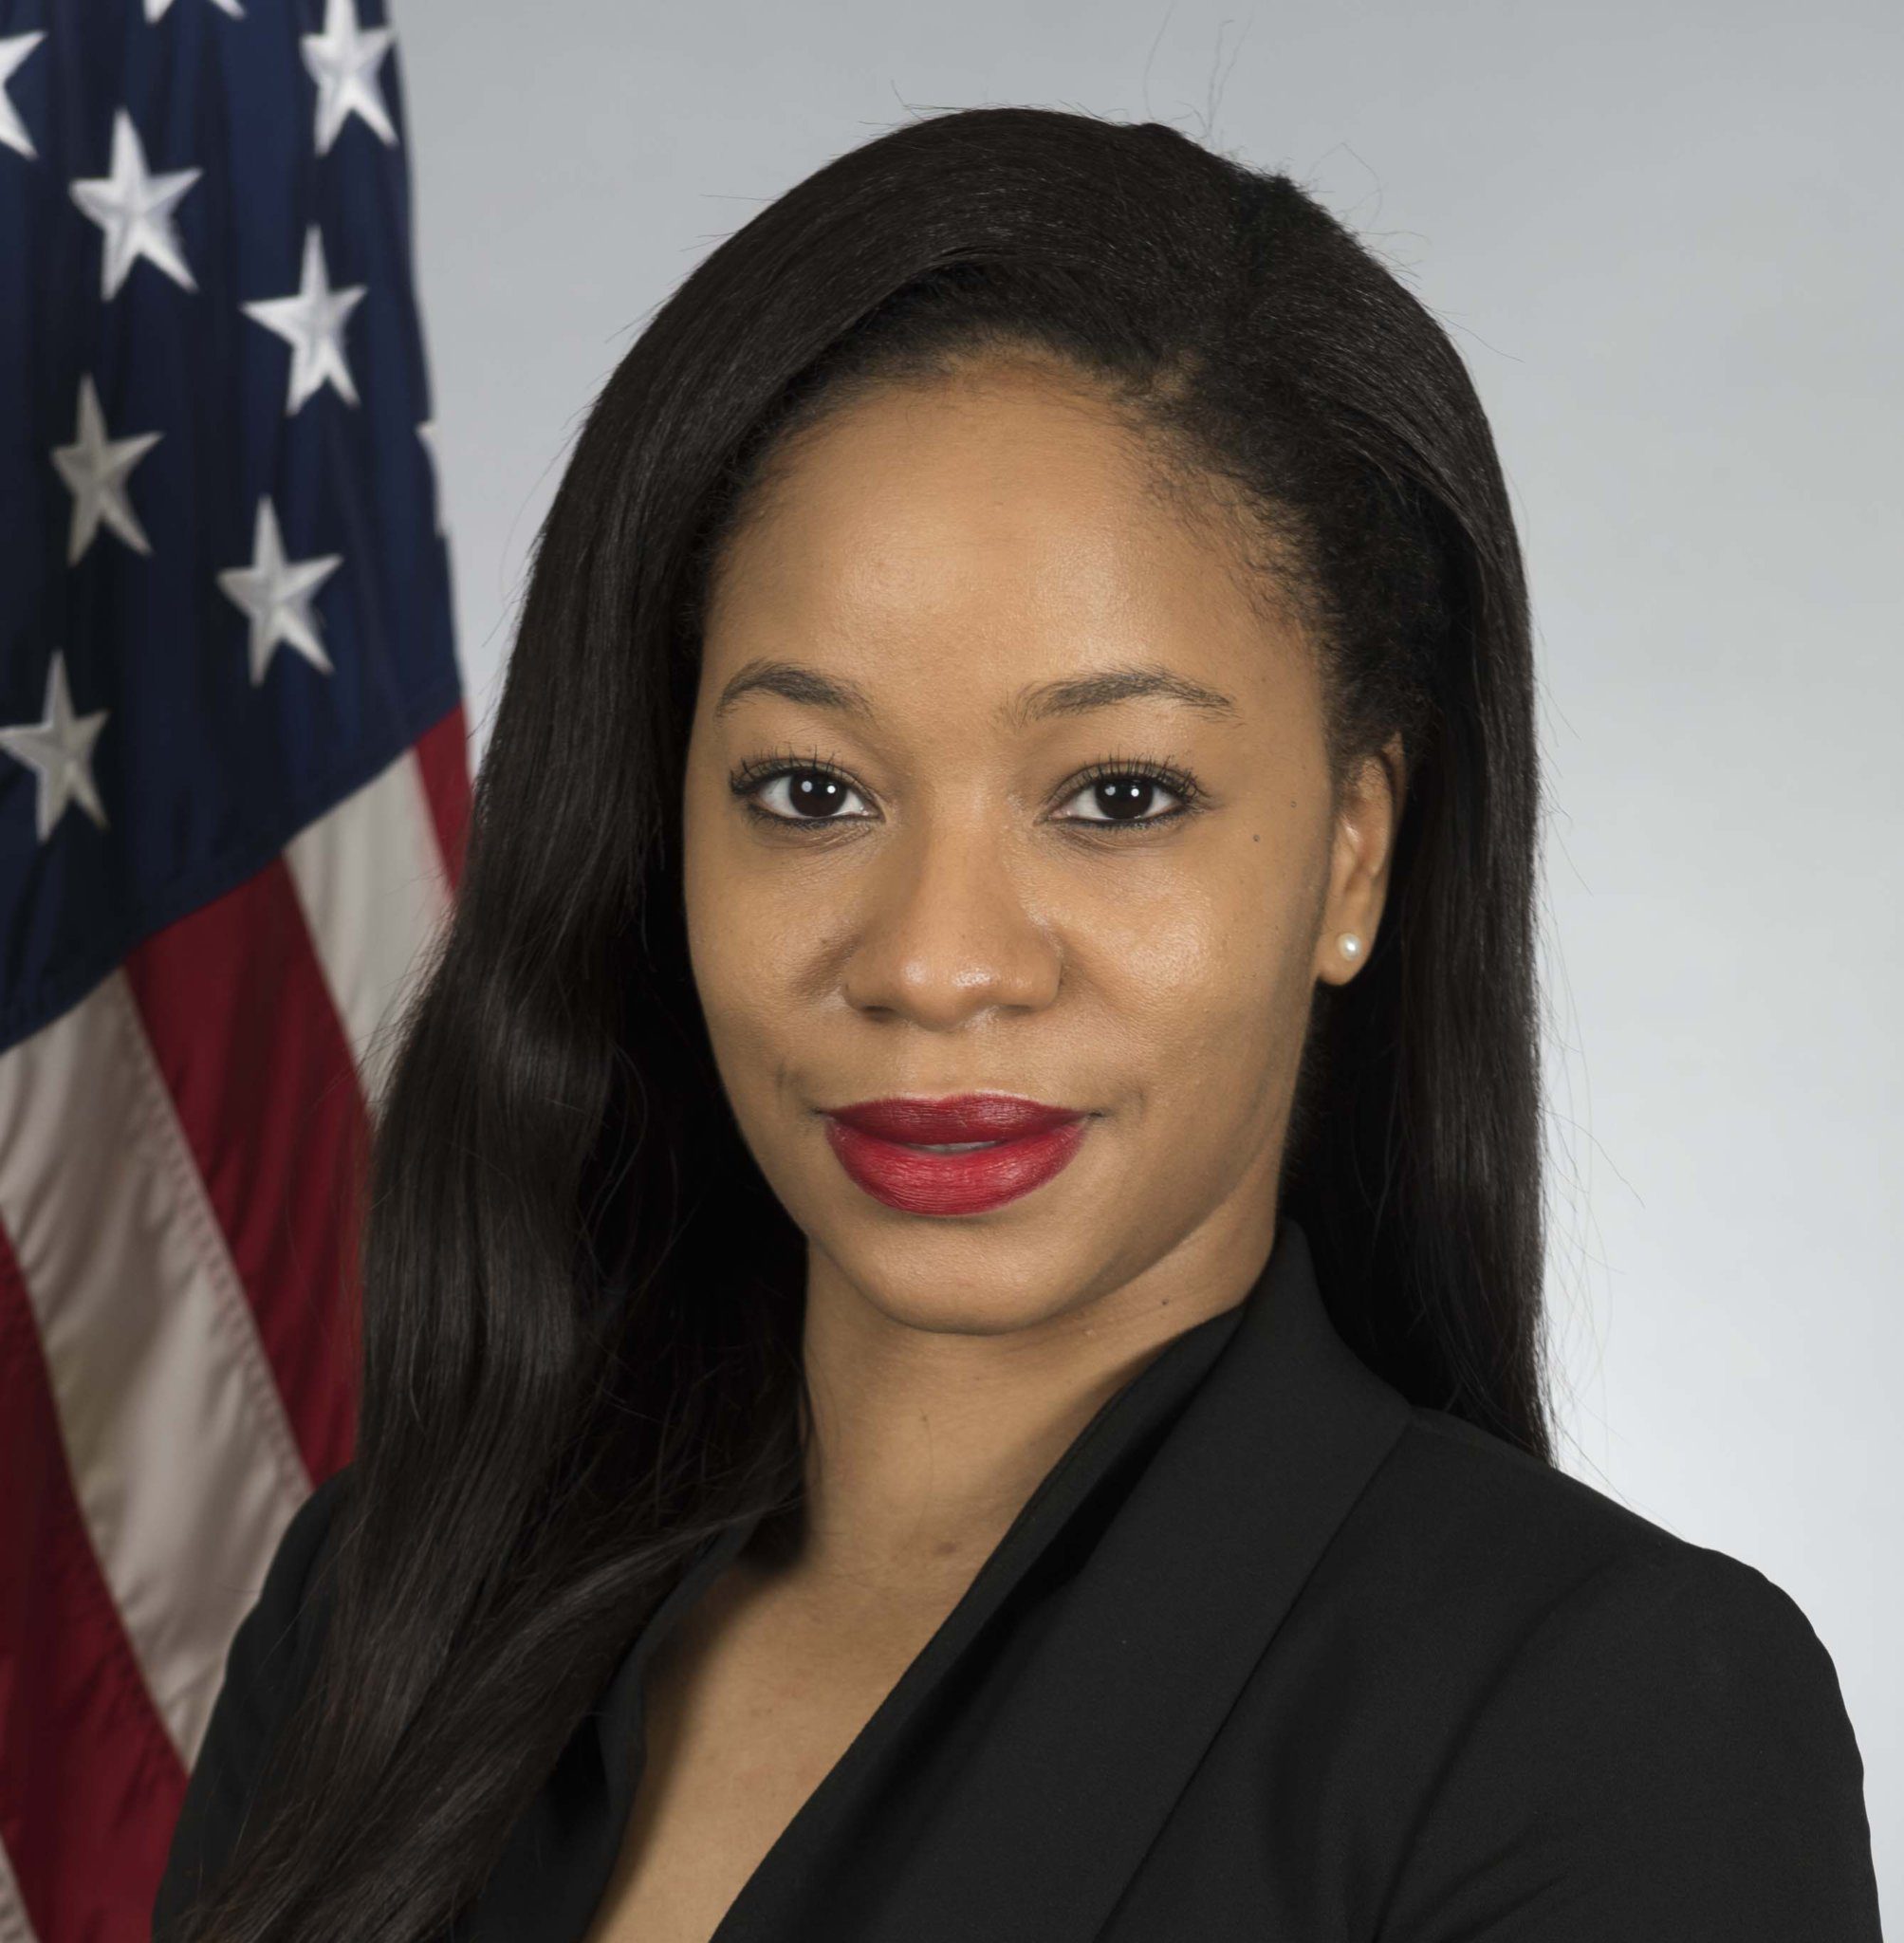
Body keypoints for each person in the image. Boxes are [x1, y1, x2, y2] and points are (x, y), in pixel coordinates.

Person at [152, 105, 1883, 1943]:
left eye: (1118, 796)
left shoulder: (1603, 1720)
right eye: (811, 791)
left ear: (1353, 854)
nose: (936, 963)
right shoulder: (379, 1620)